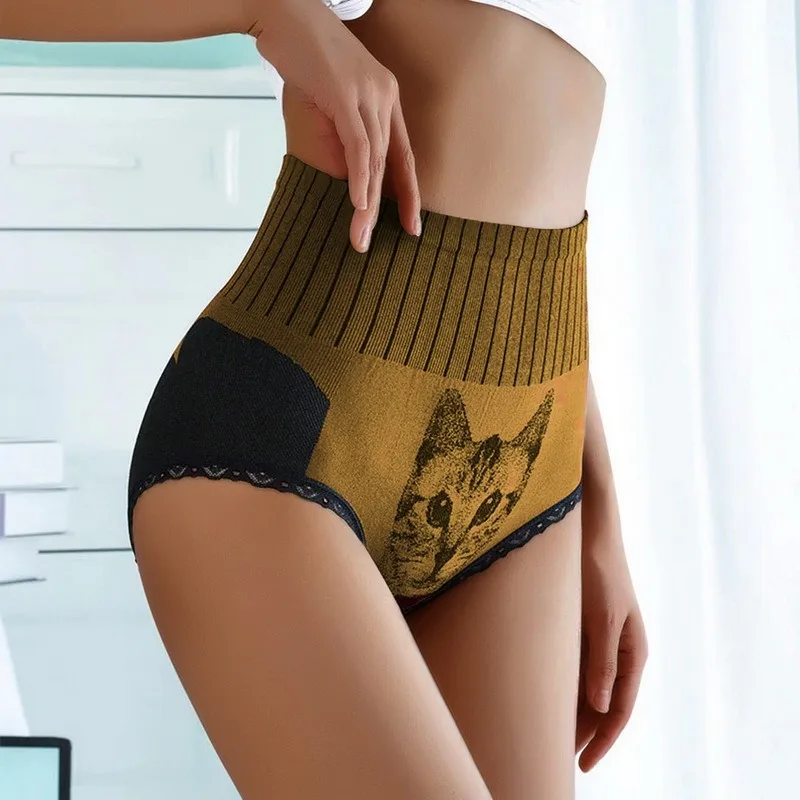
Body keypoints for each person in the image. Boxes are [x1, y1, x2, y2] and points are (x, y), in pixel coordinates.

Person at [4, 1, 648, 797]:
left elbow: (522, 252)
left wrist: (601, 514)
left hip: (527, 464)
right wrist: (268, 12)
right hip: (287, 430)